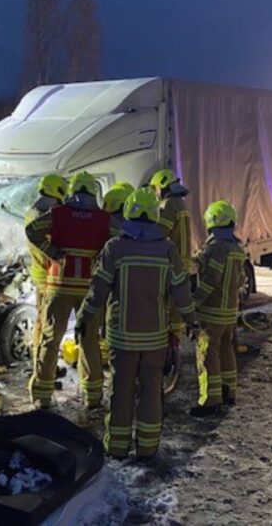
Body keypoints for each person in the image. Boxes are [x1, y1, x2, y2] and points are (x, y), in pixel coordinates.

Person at [78, 188, 198, 460]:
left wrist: (85, 317)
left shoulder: (115, 247)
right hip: (154, 338)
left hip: (121, 337)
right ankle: (147, 447)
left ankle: (118, 447)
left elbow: (98, 290)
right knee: (152, 391)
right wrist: (191, 320)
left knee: (121, 391)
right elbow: (182, 292)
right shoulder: (167, 248)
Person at [25, 172, 119, 409]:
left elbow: (32, 230)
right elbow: (122, 237)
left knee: (50, 340)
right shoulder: (103, 218)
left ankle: (42, 396)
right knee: (90, 342)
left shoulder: (58, 214)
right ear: (93, 192)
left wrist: (52, 250)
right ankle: (93, 396)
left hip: (58, 286)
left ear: (73, 191)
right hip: (89, 288)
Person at [190, 201, 246, 417]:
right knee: (227, 351)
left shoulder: (215, 249)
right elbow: (239, 279)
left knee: (207, 356)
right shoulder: (236, 249)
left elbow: (211, 280)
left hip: (212, 313)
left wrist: (195, 301)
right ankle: (229, 392)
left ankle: (210, 401)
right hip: (229, 313)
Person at [24, 174, 68, 366]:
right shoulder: (46, 213)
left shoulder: (33, 210)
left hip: (39, 272)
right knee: (46, 324)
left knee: (43, 322)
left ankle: (40, 363)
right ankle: (41, 365)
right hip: (48, 275)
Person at [149, 169, 192, 345]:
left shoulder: (167, 205)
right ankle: (177, 349)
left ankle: (170, 352)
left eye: (156, 188)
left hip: (170, 266)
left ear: (162, 187)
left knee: (168, 312)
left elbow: (158, 234)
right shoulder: (181, 204)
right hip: (182, 265)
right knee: (177, 312)